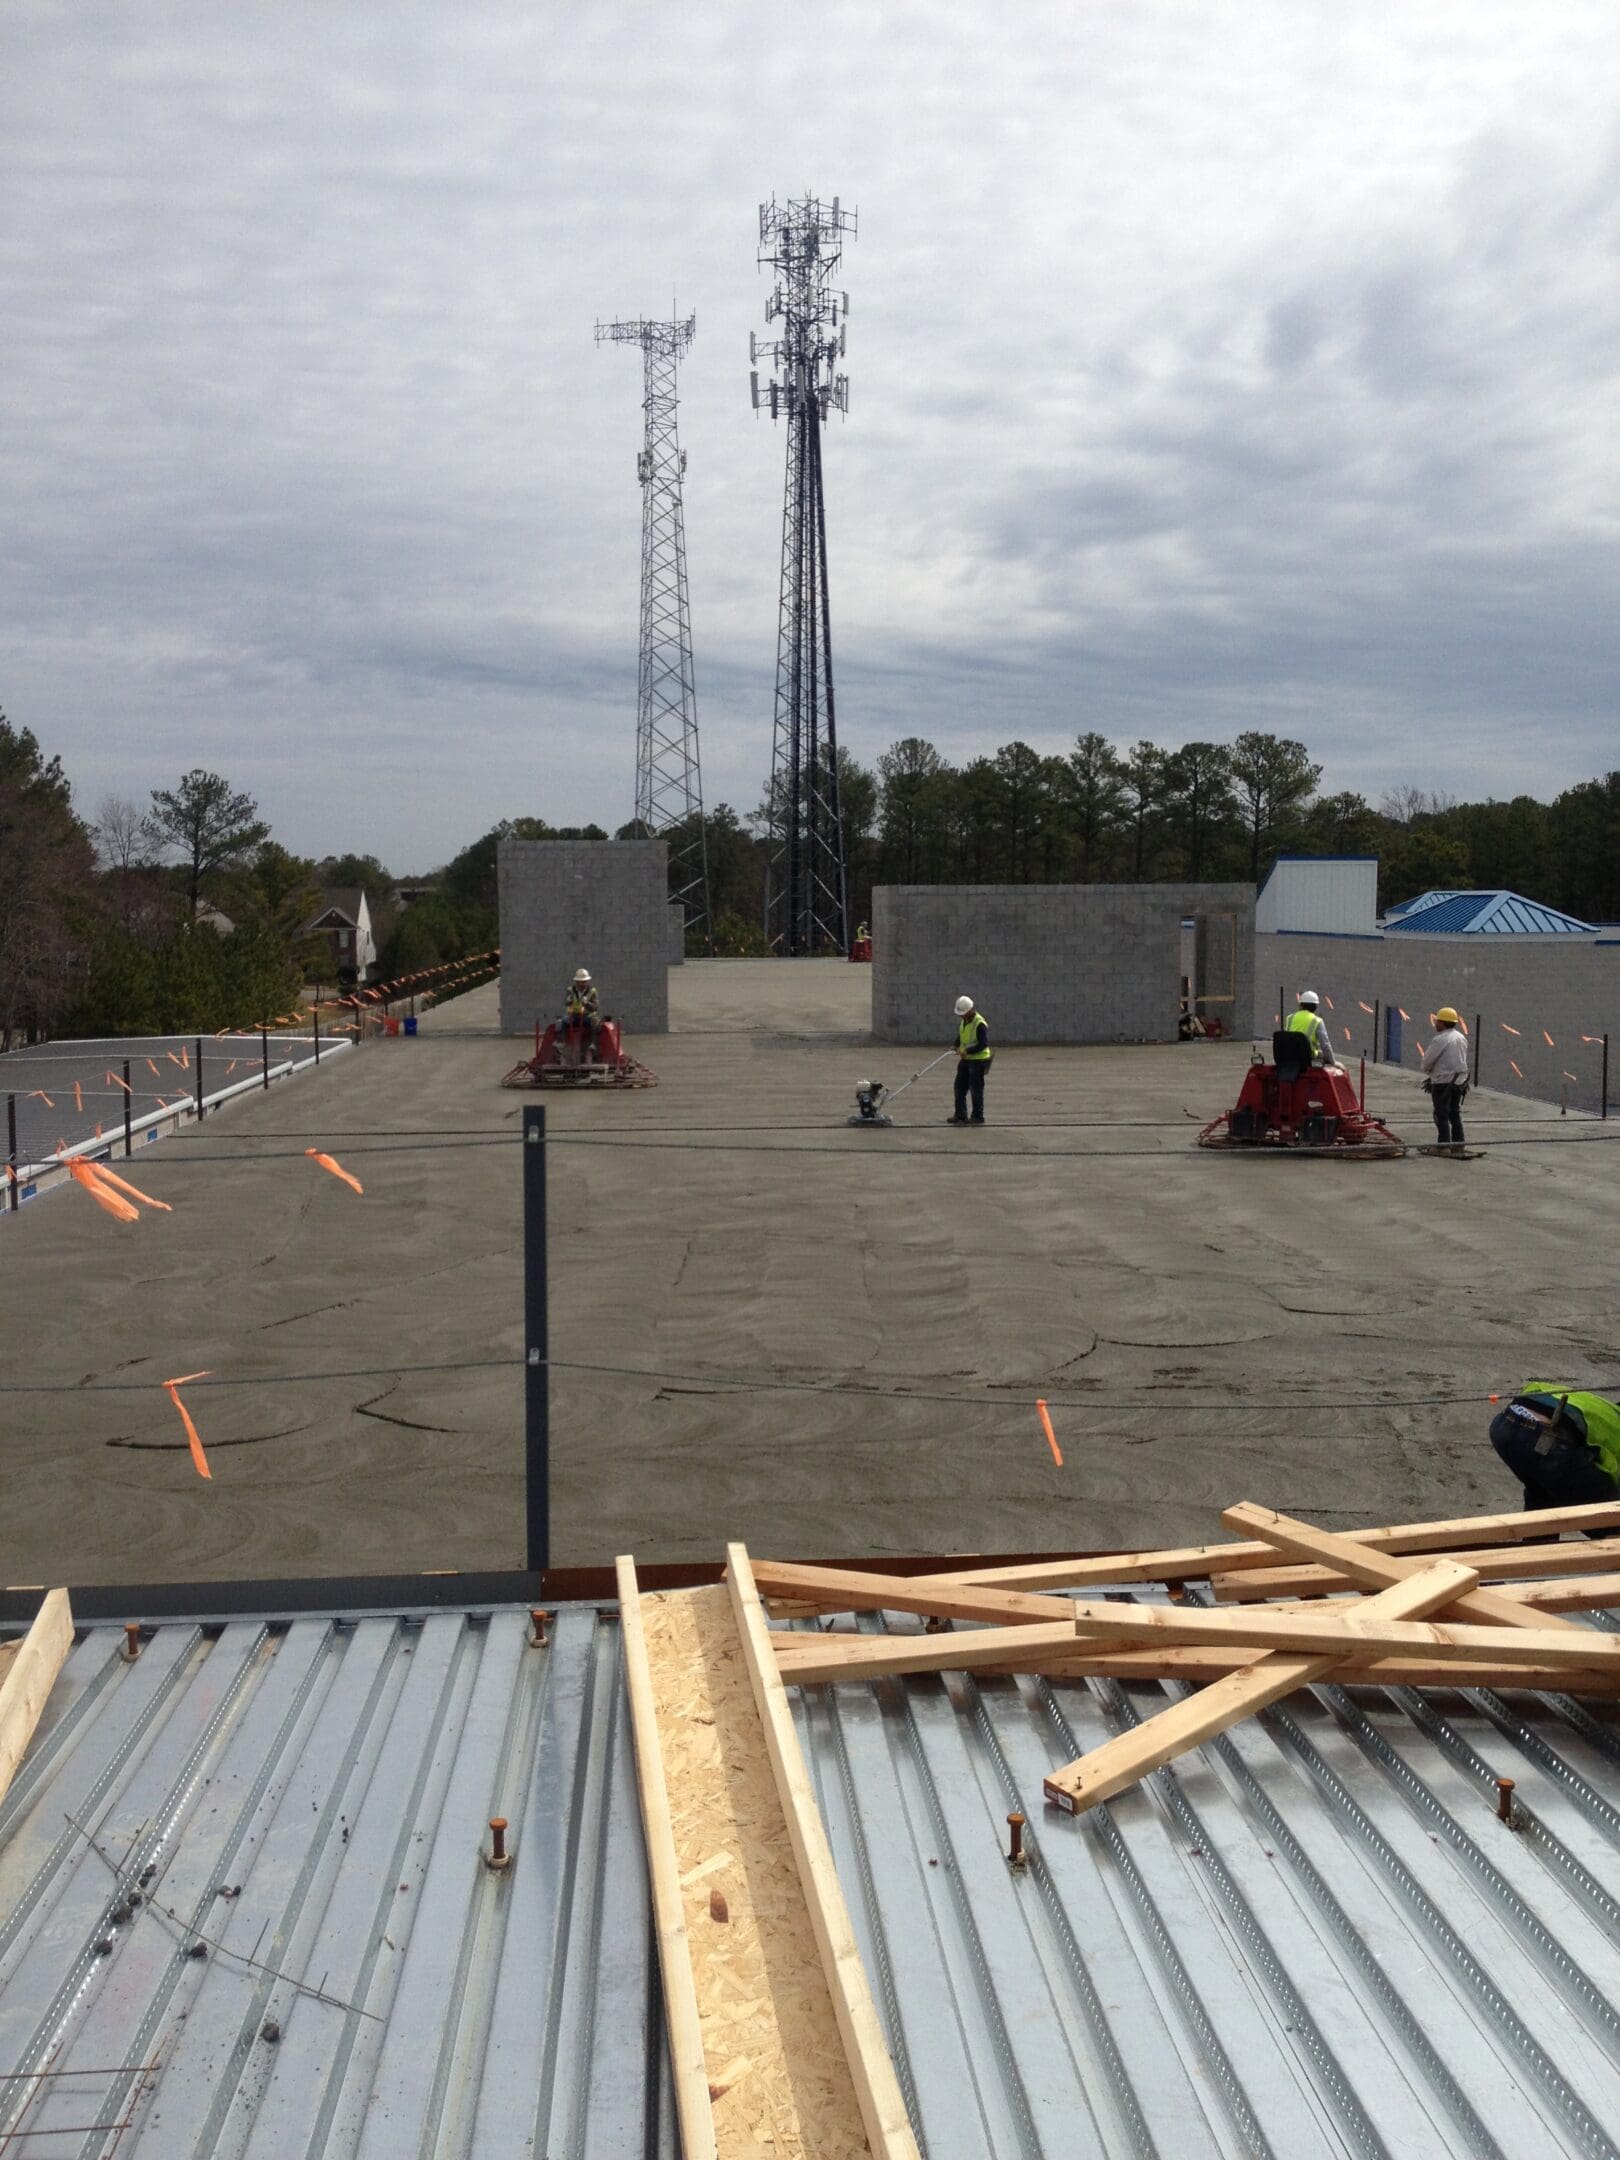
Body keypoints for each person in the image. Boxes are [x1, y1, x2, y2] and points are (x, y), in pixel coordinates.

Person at [1489, 1384, 1620, 1517]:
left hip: (1503, 1425)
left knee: (1543, 1495)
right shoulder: (1614, 1425)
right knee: (1609, 1517)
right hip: (1543, 1439)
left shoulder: (1602, 1407)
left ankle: (1538, 1535)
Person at [1420, 1006, 1469, 1152]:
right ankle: (1459, 1144)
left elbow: (1427, 1062)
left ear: (1443, 1022)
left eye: (1438, 1021)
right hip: (1459, 1081)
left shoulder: (1440, 1039)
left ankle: (1443, 1146)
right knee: (1454, 1113)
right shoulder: (1461, 1038)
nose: (1435, 1024)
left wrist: (1430, 1073)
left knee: (1441, 1113)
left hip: (1442, 1083)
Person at [948, 994, 991, 1125]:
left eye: (963, 1013)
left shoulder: (979, 1023)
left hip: (978, 1061)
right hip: (967, 1060)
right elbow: (961, 1035)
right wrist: (955, 1045)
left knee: (976, 1089)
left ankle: (977, 1117)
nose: (961, 1016)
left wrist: (967, 1051)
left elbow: (983, 1044)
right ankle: (960, 1115)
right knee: (959, 1087)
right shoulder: (965, 1021)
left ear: (970, 1010)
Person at [1283, 990, 1338, 1068]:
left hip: (1289, 1055)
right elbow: (1325, 1046)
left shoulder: (1289, 1018)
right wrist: (1333, 1062)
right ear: (1315, 1007)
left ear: (1301, 1005)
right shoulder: (1317, 1021)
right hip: (1308, 1056)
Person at [565, 967, 601, 1055]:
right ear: (576, 982)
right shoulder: (570, 990)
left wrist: (587, 1003)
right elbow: (567, 1003)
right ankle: (560, 1043)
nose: (583, 984)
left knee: (595, 1022)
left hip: (587, 1016)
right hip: (573, 1016)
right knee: (560, 1022)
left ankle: (593, 1044)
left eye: (585, 981)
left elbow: (595, 1007)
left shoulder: (592, 991)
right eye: (581, 982)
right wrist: (569, 1001)